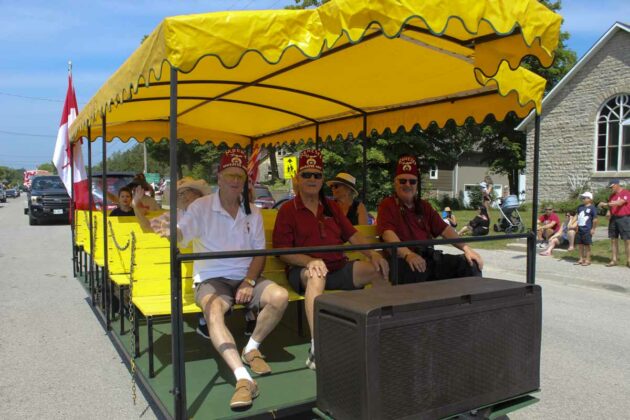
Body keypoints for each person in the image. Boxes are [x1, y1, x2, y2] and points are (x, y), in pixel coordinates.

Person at [153, 149, 289, 409]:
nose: (235, 181)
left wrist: (249, 282)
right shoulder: (201, 207)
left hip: (245, 277)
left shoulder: (253, 212)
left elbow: (259, 253)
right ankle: (243, 378)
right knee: (214, 309)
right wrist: (172, 231)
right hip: (212, 277)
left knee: (280, 297)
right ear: (219, 177)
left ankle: (251, 348)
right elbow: (183, 233)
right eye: (230, 175)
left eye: (240, 176)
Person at [273, 149, 389, 370]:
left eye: (317, 175)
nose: (312, 180)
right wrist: (308, 261)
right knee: (317, 275)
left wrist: (373, 253)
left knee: (379, 268)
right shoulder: (288, 210)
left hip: (336, 268)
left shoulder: (331, 207)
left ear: (322, 180)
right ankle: (318, 347)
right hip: (303, 272)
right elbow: (282, 251)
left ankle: (380, 333)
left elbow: (353, 235)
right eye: (306, 174)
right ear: (297, 178)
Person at [377, 154, 483, 285]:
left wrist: (467, 249)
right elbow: (388, 234)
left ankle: (472, 304)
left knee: (470, 264)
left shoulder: (423, 206)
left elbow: (445, 229)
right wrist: (408, 254)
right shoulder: (387, 205)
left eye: (412, 181)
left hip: (428, 258)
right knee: (416, 272)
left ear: (417, 184)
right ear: (395, 183)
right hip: (403, 261)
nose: (407, 185)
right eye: (402, 181)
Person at [598, 179, 630, 267]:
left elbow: (620, 203)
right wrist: (608, 212)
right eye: (610, 187)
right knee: (613, 239)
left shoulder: (625, 193)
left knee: (627, 240)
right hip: (614, 219)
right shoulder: (612, 195)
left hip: (624, 218)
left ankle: (629, 260)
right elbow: (611, 206)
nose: (611, 188)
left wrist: (606, 204)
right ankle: (614, 259)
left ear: (617, 185)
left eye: (612, 187)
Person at [574, 192, 598, 266]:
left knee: (587, 245)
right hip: (579, 229)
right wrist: (574, 224)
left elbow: (595, 219)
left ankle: (588, 259)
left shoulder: (592, 208)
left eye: (585, 198)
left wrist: (593, 229)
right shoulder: (580, 207)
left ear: (590, 199)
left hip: (587, 229)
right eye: (583, 198)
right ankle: (581, 258)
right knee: (580, 245)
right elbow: (577, 216)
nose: (583, 199)